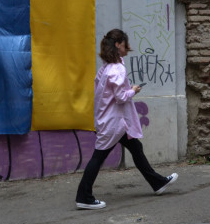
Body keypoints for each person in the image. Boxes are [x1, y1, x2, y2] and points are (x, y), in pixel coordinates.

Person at [75, 29, 178, 209]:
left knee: (136, 147)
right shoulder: (116, 69)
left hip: (113, 121)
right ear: (117, 45)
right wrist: (134, 90)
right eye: (125, 44)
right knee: (98, 157)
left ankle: (158, 183)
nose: (128, 48)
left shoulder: (106, 67)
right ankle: (83, 197)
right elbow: (121, 97)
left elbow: (103, 91)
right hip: (114, 122)